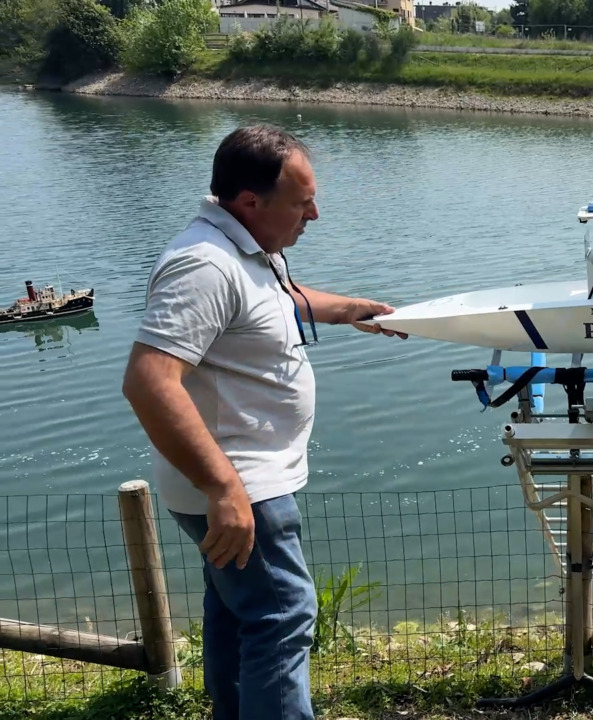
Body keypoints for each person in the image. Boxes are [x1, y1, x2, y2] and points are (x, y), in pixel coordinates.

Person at [120, 124, 406, 720]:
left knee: (237, 614)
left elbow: (279, 301)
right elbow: (149, 381)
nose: (315, 215)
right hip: (240, 484)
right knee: (283, 615)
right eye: (302, 203)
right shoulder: (203, 266)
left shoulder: (248, 249)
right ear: (251, 201)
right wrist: (224, 487)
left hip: (235, 482)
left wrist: (352, 309)